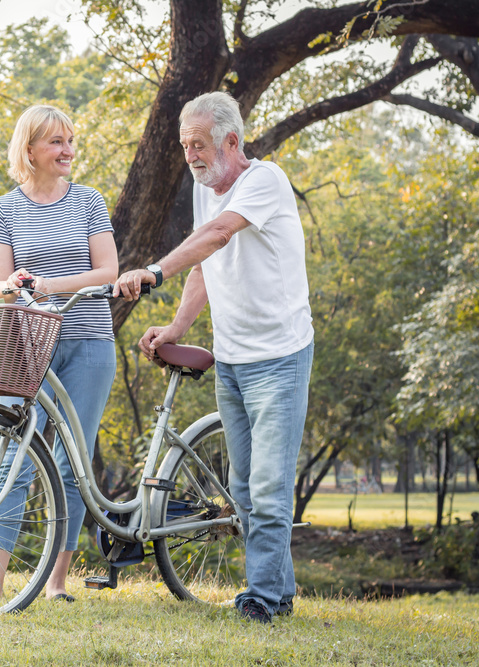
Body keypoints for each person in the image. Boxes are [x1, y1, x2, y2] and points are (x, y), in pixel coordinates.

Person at [114, 91, 314, 623]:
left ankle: (261, 599)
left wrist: (154, 272)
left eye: (198, 145)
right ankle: (279, 592)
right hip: (232, 358)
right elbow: (205, 263)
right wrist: (177, 327)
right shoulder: (207, 191)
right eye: (185, 146)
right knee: (245, 489)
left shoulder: (264, 181)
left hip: (280, 358)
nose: (190, 156)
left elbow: (220, 234)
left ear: (230, 141)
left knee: (269, 487)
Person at [0, 104, 118, 602]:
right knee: (14, 456)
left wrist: (50, 284)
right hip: (29, 345)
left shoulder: (89, 201)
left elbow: (108, 271)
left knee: (71, 463)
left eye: (70, 141)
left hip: (88, 342)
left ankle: (56, 583)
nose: (67, 150)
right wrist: (12, 284)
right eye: (57, 141)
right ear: (30, 148)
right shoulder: (3, 210)